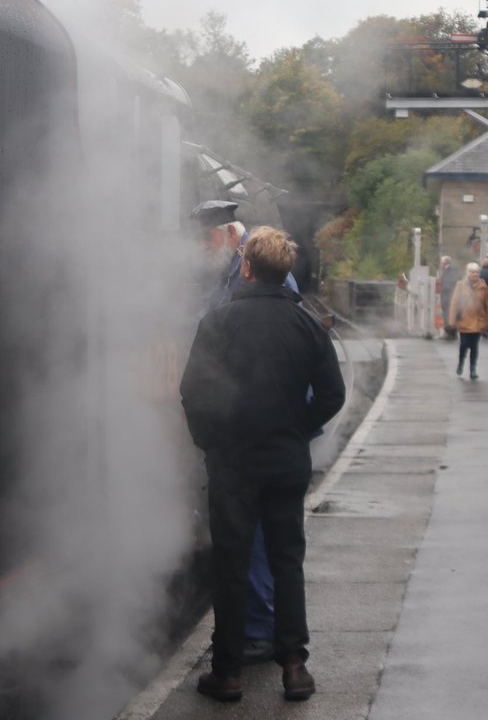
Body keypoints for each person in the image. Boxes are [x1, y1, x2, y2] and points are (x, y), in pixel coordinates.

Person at [180, 227, 346, 702]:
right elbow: (332, 394)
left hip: (233, 462)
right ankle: (295, 668)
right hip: (286, 460)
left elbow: (193, 391)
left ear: (247, 268)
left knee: (230, 566)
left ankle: (228, 672)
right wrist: (297, 428)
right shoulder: (308, 325)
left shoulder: (217, 322)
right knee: (287, 562)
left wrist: (209, 442)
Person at [191, 199, 297, 665]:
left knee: (251, 539)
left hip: (254, 433)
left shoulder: (260, 281)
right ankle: (276, 642)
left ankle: (257, 633)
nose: (202, 247)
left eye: (209, 239)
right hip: (258, 431)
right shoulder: (230, 275)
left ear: (234, 238)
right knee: (261, 541)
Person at [449, 262, 488, 380]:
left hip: (479, 321)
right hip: (464, 320)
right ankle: (461, 363)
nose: (474, 274)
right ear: (467, 273)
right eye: (472, 272)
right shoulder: (460, 285)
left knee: (474, 347)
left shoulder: (483, 287)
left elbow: (487, 305)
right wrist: (452, 320)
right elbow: (454, 303)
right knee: (463, 345)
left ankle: (473, 368)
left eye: (476, 272)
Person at [439, 256, 460, 340]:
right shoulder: (453, 271)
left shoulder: (447, 272)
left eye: (441, 263)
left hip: (448, 297)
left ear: (445, 263)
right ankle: (451, 331)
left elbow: (447, 286)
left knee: (447, 315)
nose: (440, 265)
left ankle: (450, 332)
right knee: (451, 314)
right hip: (451, 296)